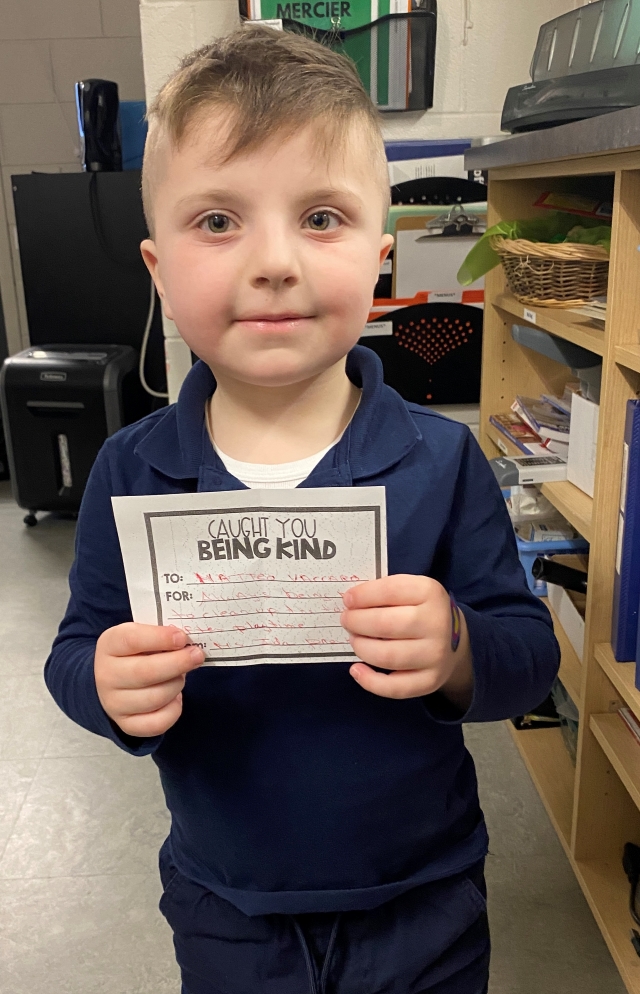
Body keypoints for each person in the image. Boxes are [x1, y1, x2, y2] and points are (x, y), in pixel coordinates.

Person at [45, 26, 559, 994]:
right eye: (217, 221)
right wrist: (106, 686)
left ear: (377, 253)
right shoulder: (131, 468)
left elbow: (525, 661)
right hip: (227, 901)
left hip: (424, 894)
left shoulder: (440, 458)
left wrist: (455, 648)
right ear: (156, 267)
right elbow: (78, 645)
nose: (274, 261)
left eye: (320, 217)